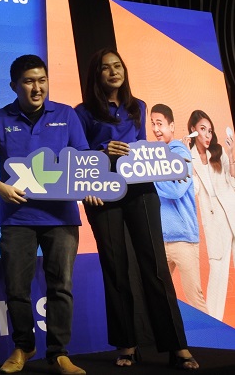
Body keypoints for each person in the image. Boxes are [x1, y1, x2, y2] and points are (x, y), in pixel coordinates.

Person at [74, 48, 198, 370]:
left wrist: (168, 166)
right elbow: (77, 155)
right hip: (103, 193)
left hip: (140, 190)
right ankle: (127, 344)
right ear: (96, 75)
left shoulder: (137, 106)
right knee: (116, 268)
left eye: (118, 66)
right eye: (106, 68)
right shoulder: (82, 112)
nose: (114, 71)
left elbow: (143, 149)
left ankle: (177, 345)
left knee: (155, 266)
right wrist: (103, 151)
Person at [0, 54, 88, 375]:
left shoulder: (66, 115)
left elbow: (83, 159)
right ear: (14, 85)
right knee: (16, 287)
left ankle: (59, 353)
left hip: (61, 216)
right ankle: (24, 346)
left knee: (60, 286)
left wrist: (88, 184)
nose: (37, 87)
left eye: (42, 80)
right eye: (28, 81)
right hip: (17, 217)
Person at [149, 104, 208, 313]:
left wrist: (150, 178)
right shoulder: (155, 155)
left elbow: (176, 190)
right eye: (152, 124)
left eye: (160, 123)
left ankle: (211, 335)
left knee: (194, 298)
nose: (156, 129)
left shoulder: (181, 152)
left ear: (171, 126)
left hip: (183, 239)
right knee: (158, 297)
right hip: (161, 240)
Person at [187, 109, 235, 321]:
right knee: (218, 272)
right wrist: (184, 158)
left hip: (232, 212)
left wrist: (231, 156)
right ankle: (213, 322)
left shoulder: (219, 151)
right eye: (202, 129)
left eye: (210, 130)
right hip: (214, 221)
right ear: (193, 130)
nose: (207, 135)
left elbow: (232, 183)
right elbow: (194, 190)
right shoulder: (189, 157)